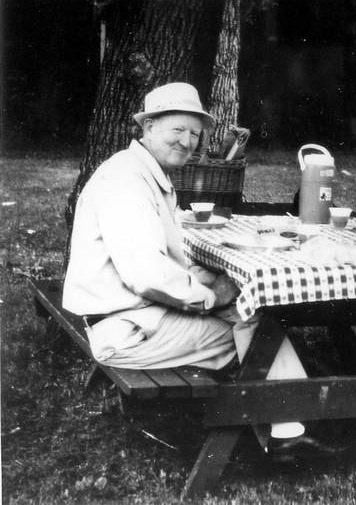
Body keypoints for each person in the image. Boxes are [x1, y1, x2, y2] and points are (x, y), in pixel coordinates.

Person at [63, 82, 311, 445]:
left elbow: (158, 264)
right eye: (177, 129)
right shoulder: (125, 183)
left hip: (133, 316)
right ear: (148, 127)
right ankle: (285, 432)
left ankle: (287, 419)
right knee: (257, 327)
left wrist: (212, 288)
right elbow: (147, 275)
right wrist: (213, 297)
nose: (187, 141)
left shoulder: (143, 170)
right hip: (125, 331)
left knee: (245, 313)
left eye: (194, 133)